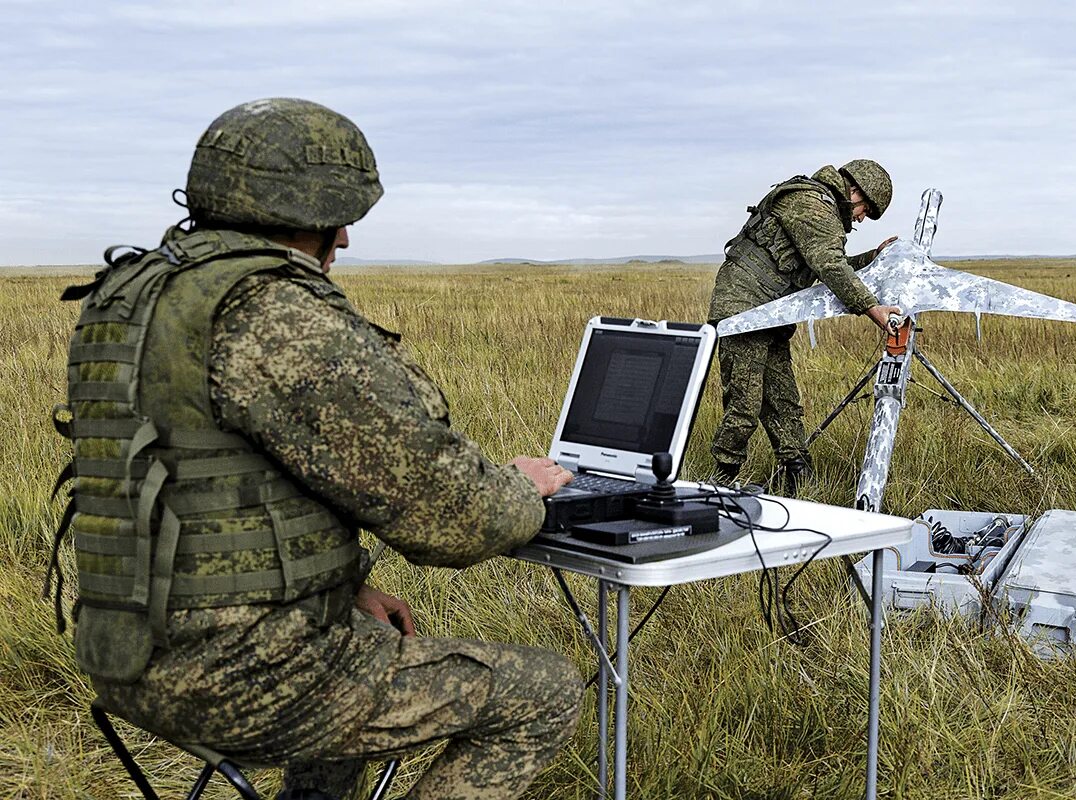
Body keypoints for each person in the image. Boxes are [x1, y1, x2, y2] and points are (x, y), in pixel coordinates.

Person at [50, 98, 581, 800]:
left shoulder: (136, 295)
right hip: (243, 677)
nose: (347, 243)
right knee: (546, 693)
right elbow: (451, 518)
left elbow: (208, 489)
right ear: (310, 214)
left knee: (355, 663)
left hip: (128, 656)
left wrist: (346, 587)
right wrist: (520, 488)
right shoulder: (272, 311)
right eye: (342, 221)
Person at [707, 160, 900, 491]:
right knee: (745, 404)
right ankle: (718, 483)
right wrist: (872, 309)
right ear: (854, 191)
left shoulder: (820, 211)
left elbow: (827, 262)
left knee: (783, 400)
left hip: (771, 315)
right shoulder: (811, 203)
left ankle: (798, 474)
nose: (861, 218)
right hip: (744, 312)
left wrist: (874, 256)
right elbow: (829, 265)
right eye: (865, 209)